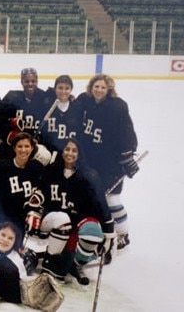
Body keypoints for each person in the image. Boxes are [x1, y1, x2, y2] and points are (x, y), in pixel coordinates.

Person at [25, 138, 114, 284]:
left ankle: (76, 263)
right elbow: (39, 194)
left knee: (92, 231)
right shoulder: (52, 169)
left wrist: (108, 235)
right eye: (67, 149)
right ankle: (50, 265)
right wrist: (34, 212)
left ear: (80, 154)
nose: (70, 153)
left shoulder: (89, 175)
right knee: (62, 219)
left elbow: (101, 206)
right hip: (52, 219)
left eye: (74, 150)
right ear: (62, 151)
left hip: (76, 223)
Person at [76, 73, 139, 255]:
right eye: (96, 86)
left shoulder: (117, 107)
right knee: (94, 198)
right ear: (91, 87)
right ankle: (102, 232)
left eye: (103, 87)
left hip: (110, 163)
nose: (99, 90)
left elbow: (127, 132)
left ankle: (123, 233)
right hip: (91, 160)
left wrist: (127, 155)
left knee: (111, 200)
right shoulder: (85, 101)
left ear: (109, 89)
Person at [0, 132, 44, 233]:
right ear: (14, 148)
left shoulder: (37, 167)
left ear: (32, 148)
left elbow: (41, 189)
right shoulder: (3, 167)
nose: (23, 150)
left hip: (27, 217)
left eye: (27, 146)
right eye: (20, 146)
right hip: (6, 218)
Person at [38, 75, 83, 153]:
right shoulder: (46, 105)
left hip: (69, 153)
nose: (63, 91)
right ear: (55, 89)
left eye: (67, 88)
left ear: (71, 89)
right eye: (60, 88)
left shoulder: (77, 107)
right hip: (49, 151)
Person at [2, 68, 53, 136]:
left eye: (33, 81)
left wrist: (68, 97)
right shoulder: (11, 97)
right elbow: (1, 119)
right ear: (22, 82)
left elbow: (57, 95)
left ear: (37, 81)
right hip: (18, 141)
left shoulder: (43, 97)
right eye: (26, 81)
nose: (30, 84)